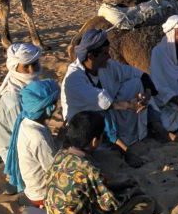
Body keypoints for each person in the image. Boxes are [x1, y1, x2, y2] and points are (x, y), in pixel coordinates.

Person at [45, 111, 156, 214]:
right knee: (146, 204)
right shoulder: (88, 169)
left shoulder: (60, 155)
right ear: (94, 141)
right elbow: (108, 204)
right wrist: (130, 194)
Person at [61, 29, 158, 167]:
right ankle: (124, 150)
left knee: (135, 83)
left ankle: (127, 141)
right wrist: (130, 105)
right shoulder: (74, 78)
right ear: (91, 56)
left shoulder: (107, 66)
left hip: (107, 119)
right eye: (105, 53)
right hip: (84, 128)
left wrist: (146, 94)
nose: (109, 57)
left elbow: (140, 74)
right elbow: (101, 101)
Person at [5, 79, 62, 207]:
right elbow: (54, 170)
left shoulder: (26, 122)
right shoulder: (38, 137)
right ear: (50, 108)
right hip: (42, 195)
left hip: (33, 191)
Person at [0, 43, 41, 164]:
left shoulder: (27, 87)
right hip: (16, 156)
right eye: (26, 66)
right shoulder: (14, 100)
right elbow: (25, 138)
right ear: (14, 67)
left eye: (34, 64)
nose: (31, 70)